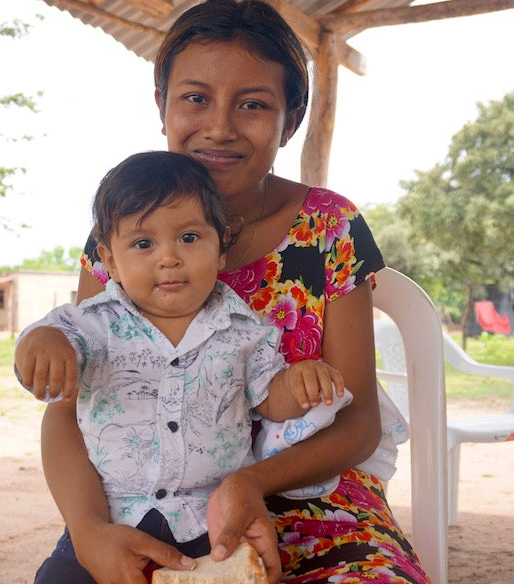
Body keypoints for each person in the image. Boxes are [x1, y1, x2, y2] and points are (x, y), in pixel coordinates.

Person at [36, 1, 426, 583]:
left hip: (314, 498)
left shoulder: (329, 227)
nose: (219, 126)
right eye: (195, 97)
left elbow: (359, 422)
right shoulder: (122, 235)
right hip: (150, 507)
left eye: (253, 104)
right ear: (162, 106)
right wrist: (90, 531)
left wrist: (248, 482)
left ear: (290, 120)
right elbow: (69, 411)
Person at [17, 150, 354, 582]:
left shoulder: (246, 330)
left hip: (210, 524)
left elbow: (272, 400)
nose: (169, 258)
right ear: (111, 261)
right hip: (110, 519)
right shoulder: (91, 325)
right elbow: (43, 346)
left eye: (190, 238)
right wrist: (42, 343)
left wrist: (301, 381)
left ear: (221, 250)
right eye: (143, 243)